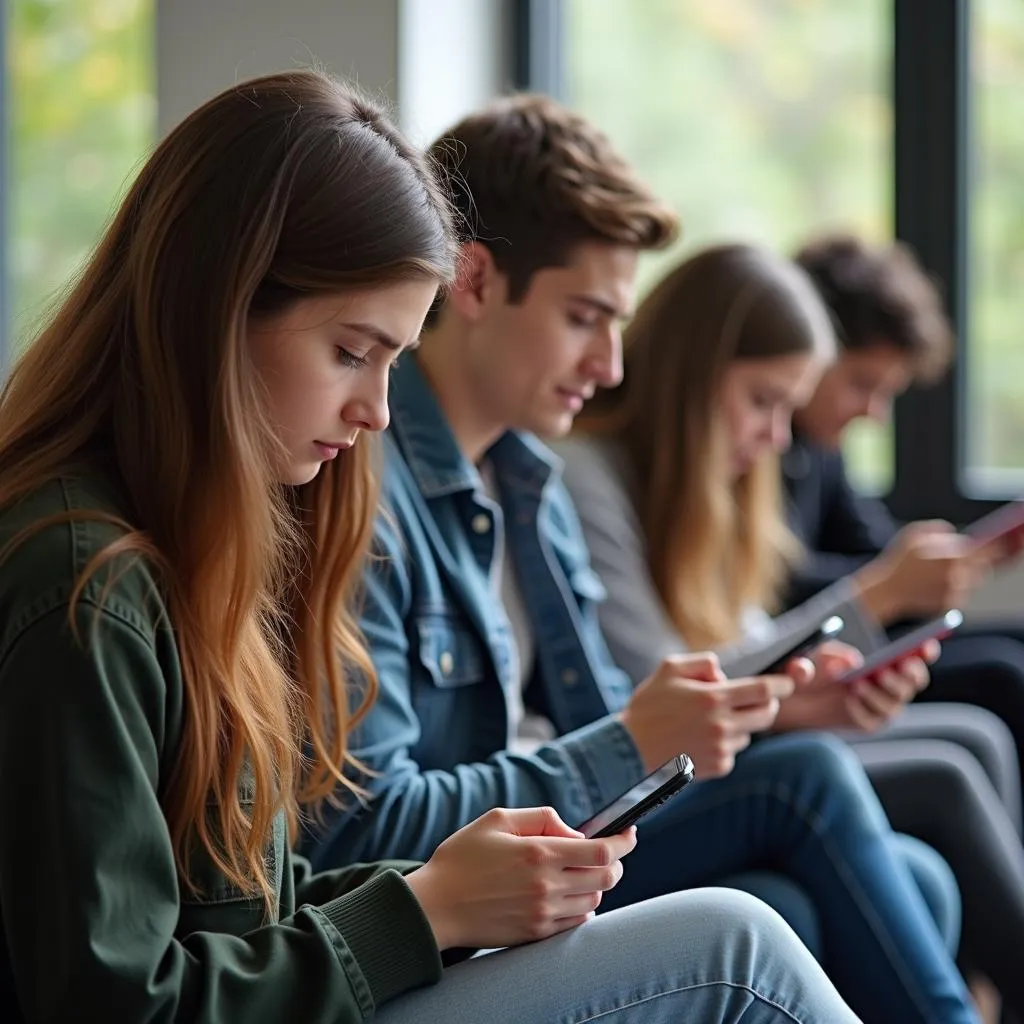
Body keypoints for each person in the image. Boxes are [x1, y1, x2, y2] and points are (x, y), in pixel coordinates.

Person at [0, 70, 867, 1024]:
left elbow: (252, 909)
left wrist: (446, 894)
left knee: (760, 919)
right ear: (219, 308)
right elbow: (118, 1002)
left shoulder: (207, 545)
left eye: (392, 361)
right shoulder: (90, 591)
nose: (375, 411)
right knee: (735, 948)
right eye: (350, 351)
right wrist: (427, 907)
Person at [302, 94, 980, 1023]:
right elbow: (370, 830)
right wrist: (637, 741)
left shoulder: (529, 485)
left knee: (890, 873)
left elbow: (595, 728)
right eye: (586, 318)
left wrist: (778, 708)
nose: (613, 364)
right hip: (460, 897)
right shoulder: (359, 494)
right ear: (475, 283)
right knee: (820, 814)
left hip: (553, 848)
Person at [557, 241, 1024, 1016]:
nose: (781, 437)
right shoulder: (585, 478)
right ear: (693, 377)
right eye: (764, 401)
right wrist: (868, 605)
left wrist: (820, 694)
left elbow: (740, 648)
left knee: (949, 769)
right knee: (891, 771)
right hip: (649, 782)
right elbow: (661, 692)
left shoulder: (713, 489)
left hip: (703, 760)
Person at [787, 232, 1024, 814]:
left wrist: (934, 562)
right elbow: (769, 585)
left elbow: (869, 544)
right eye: (862, 385)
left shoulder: (820, 450)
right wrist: (889, 585)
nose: (872, 413)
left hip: (842, 638)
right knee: (1001, 676)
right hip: (805, 658)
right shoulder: (756, 443)